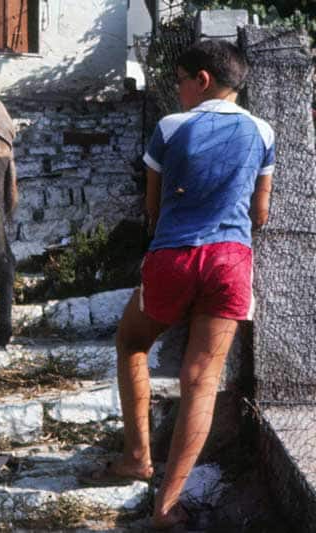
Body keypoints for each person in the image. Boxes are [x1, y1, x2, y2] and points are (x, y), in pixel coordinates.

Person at [81, 39, 275, 529]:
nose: (178, 89)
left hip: (174, 255)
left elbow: (152, 207)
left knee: (131, 340)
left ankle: (138, 456)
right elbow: (261, 213)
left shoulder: (171, 127)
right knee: (201, 380)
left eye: (180, 80)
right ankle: (168, 505)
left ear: (202, 80)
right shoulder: (263, 131)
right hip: (231, 260)